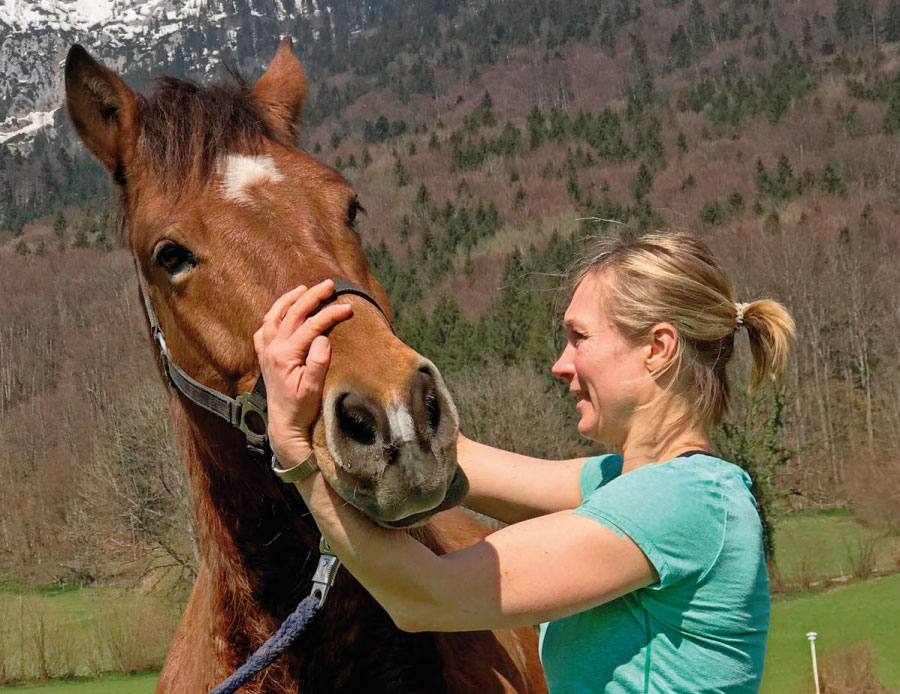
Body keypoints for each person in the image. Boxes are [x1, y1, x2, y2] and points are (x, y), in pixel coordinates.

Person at [254, 231, 795, 693]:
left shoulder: (680, 503)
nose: (561, 365)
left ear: (658, 348)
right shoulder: (632, 485)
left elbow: (428, 595)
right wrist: (351, 366)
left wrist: (293, 449)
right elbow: (456, 459)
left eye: (579, 338)